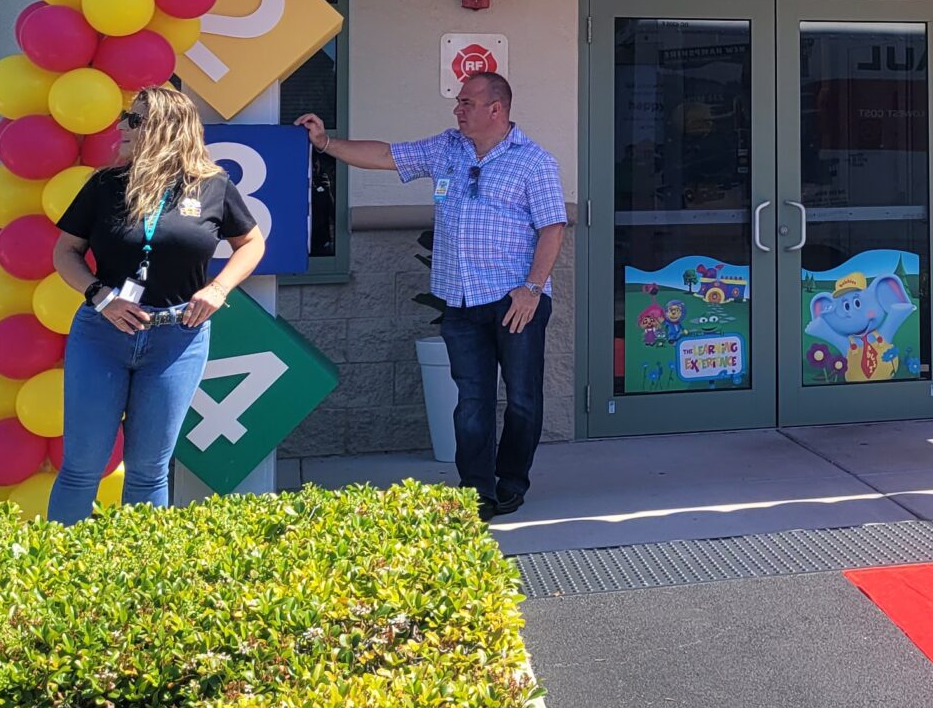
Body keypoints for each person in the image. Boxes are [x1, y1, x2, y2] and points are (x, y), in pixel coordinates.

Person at [295, 71, 566, 519]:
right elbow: (385, 155)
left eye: (466, 103)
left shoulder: (534, 162)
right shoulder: (447, 149)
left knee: (521, 398)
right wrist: (325, 143)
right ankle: (476, 491)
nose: (457, 109)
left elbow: (552, 229)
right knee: (472, 399)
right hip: (459, 300)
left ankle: (512, 480)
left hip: (516, 301)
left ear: (495, 109)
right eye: (458, 102)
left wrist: (532, 290)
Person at [48, 84, 267, 525]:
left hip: (177, 339)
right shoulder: (105, 185)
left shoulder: (213, 186)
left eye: (134, 119)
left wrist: (219, 288)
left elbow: (251, 242)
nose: (121, 127)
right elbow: (64, 252)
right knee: (81, 467)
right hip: (102, 334)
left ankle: (139, 579)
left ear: (165, 127)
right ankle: (59, 577)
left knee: (149, 471)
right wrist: (101, 296)